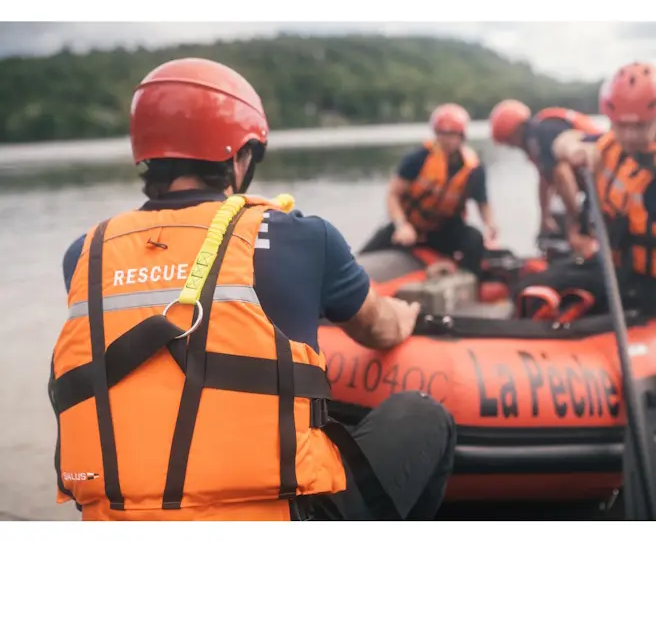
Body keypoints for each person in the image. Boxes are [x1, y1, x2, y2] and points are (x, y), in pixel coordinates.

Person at [49, 57, 457, 522]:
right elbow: (380, 329)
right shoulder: (304, 237)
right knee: (422, 414)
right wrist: (405, 314)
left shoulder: (84, 254)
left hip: (120, 521)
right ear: (241, 155)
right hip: (273, 517)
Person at [511, 62, 656, 400]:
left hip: (652, 287)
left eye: (639, 127)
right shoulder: (611, 145)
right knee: (532, 284)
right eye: (619, 126)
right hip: (616, 267)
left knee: (548, 298)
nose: (628, 137)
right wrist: (576, 149)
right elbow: (563, 140)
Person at [360, 103, 499, 277]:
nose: (446, 140)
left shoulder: (474, 168)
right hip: (412, 226)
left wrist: (490, 225)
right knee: (363, 257)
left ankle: (467, 282)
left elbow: (482, 202)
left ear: (462, 137)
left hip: (445, 229)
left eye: (452, 134)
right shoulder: (418, 159)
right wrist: (401, 225)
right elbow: (393, 194)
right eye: (442, 134)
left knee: (474, 239)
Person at [489, 100, 602, 256]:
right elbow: (544, 181)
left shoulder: (542, 134)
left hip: (599, 181)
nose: (514, 148)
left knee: (578, 235)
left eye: (510, 143)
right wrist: (544, 218)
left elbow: (562, 174)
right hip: (594, 184)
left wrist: (575, 220)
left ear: (515, 133)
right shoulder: (539, 138)